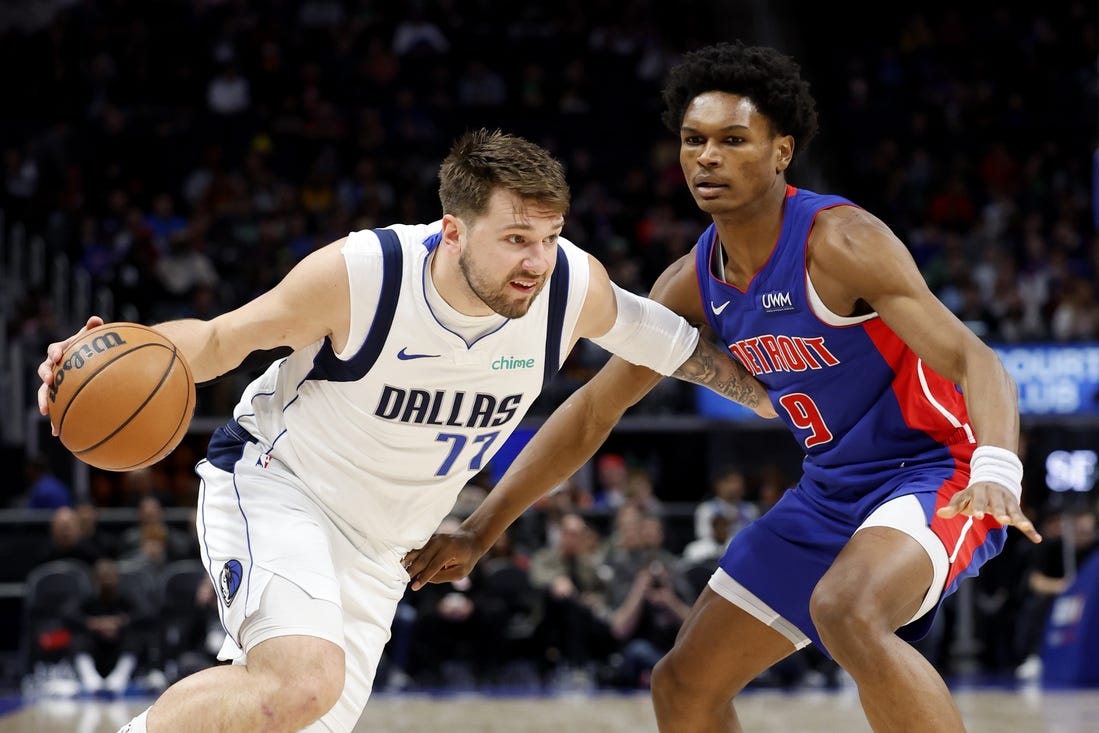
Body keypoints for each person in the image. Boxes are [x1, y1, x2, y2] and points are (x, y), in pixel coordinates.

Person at [37, 128, 770, 733]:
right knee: (300, 682)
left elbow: (669, 341)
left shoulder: (569, 286)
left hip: (385, 551)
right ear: (452, 230)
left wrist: (770, 398)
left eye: (549, 236)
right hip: (281, 487)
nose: (536, 261)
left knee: (292, 711)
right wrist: (114, 351)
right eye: (516, 238)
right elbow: (221, 339)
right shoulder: (365, 274)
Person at [403, 43, 1043, 732]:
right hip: (830, 486)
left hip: (936, 468)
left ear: (780, 151)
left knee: (848, 611)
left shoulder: (840, 240)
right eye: (693, 140)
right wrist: (479, 528)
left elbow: (977, 360)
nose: (707, 156)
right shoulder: (691, 281)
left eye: (732, 140)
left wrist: (996, 469)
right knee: (681, 684)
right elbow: (595, 409)